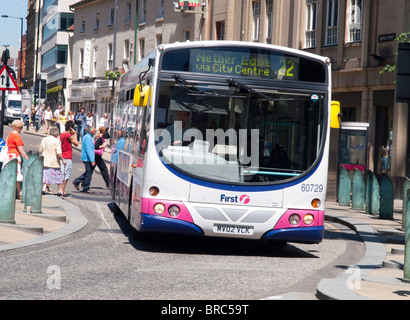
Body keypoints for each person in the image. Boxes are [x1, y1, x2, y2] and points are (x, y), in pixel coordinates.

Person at [2, 120, 29, 199]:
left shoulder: (10, 135)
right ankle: (19, 192)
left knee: (9, 174)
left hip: (8, 156)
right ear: (18, 128)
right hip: (15, 156)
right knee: (17, 175)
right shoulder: (17, 136)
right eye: (21, 127)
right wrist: (27, 158)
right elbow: (20, 149)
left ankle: (14, 191)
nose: (21, 129)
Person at [40, 127, 66, 195]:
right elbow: (59, 153)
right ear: (56, 133)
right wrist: (63, 160)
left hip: (45, 160)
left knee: (45, 175)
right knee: (57, 175)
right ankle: (59, 190)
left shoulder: (44, 139)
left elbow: (41, 149)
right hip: (54, 161)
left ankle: (44, 188)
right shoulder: (57, 141)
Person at [73, 126, 96, 193]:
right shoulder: (88, 138)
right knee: (89, 173)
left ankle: (79, 182)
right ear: (90, 131)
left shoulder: (87, 137)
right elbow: (89, 150)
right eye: (94, 130)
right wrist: (92, 160)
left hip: (87, 157)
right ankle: (85, 187)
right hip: (87, 158)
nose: (95, 132)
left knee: (88, 172)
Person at [60, 121, 79, 197]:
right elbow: (76, 144)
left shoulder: (62, 134)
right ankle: (62, 190)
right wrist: (75, 134)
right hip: (67, 156)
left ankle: (61, 189)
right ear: (71, 128)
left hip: (62, 155)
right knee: (66, 175)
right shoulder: (69, 136)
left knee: (62, 173)